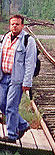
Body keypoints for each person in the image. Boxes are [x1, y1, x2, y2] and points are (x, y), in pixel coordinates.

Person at [0, 15, 37, 143]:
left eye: (17, 24)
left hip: (16, 79)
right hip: (3, 77)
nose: (14, 26)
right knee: (1, 103)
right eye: (12, 24)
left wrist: (27, 82)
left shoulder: (28, 40)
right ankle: (22, 125)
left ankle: (11, 135)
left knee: (11, 106)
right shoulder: (5, 37)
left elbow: (30, 63)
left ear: (22, 25)